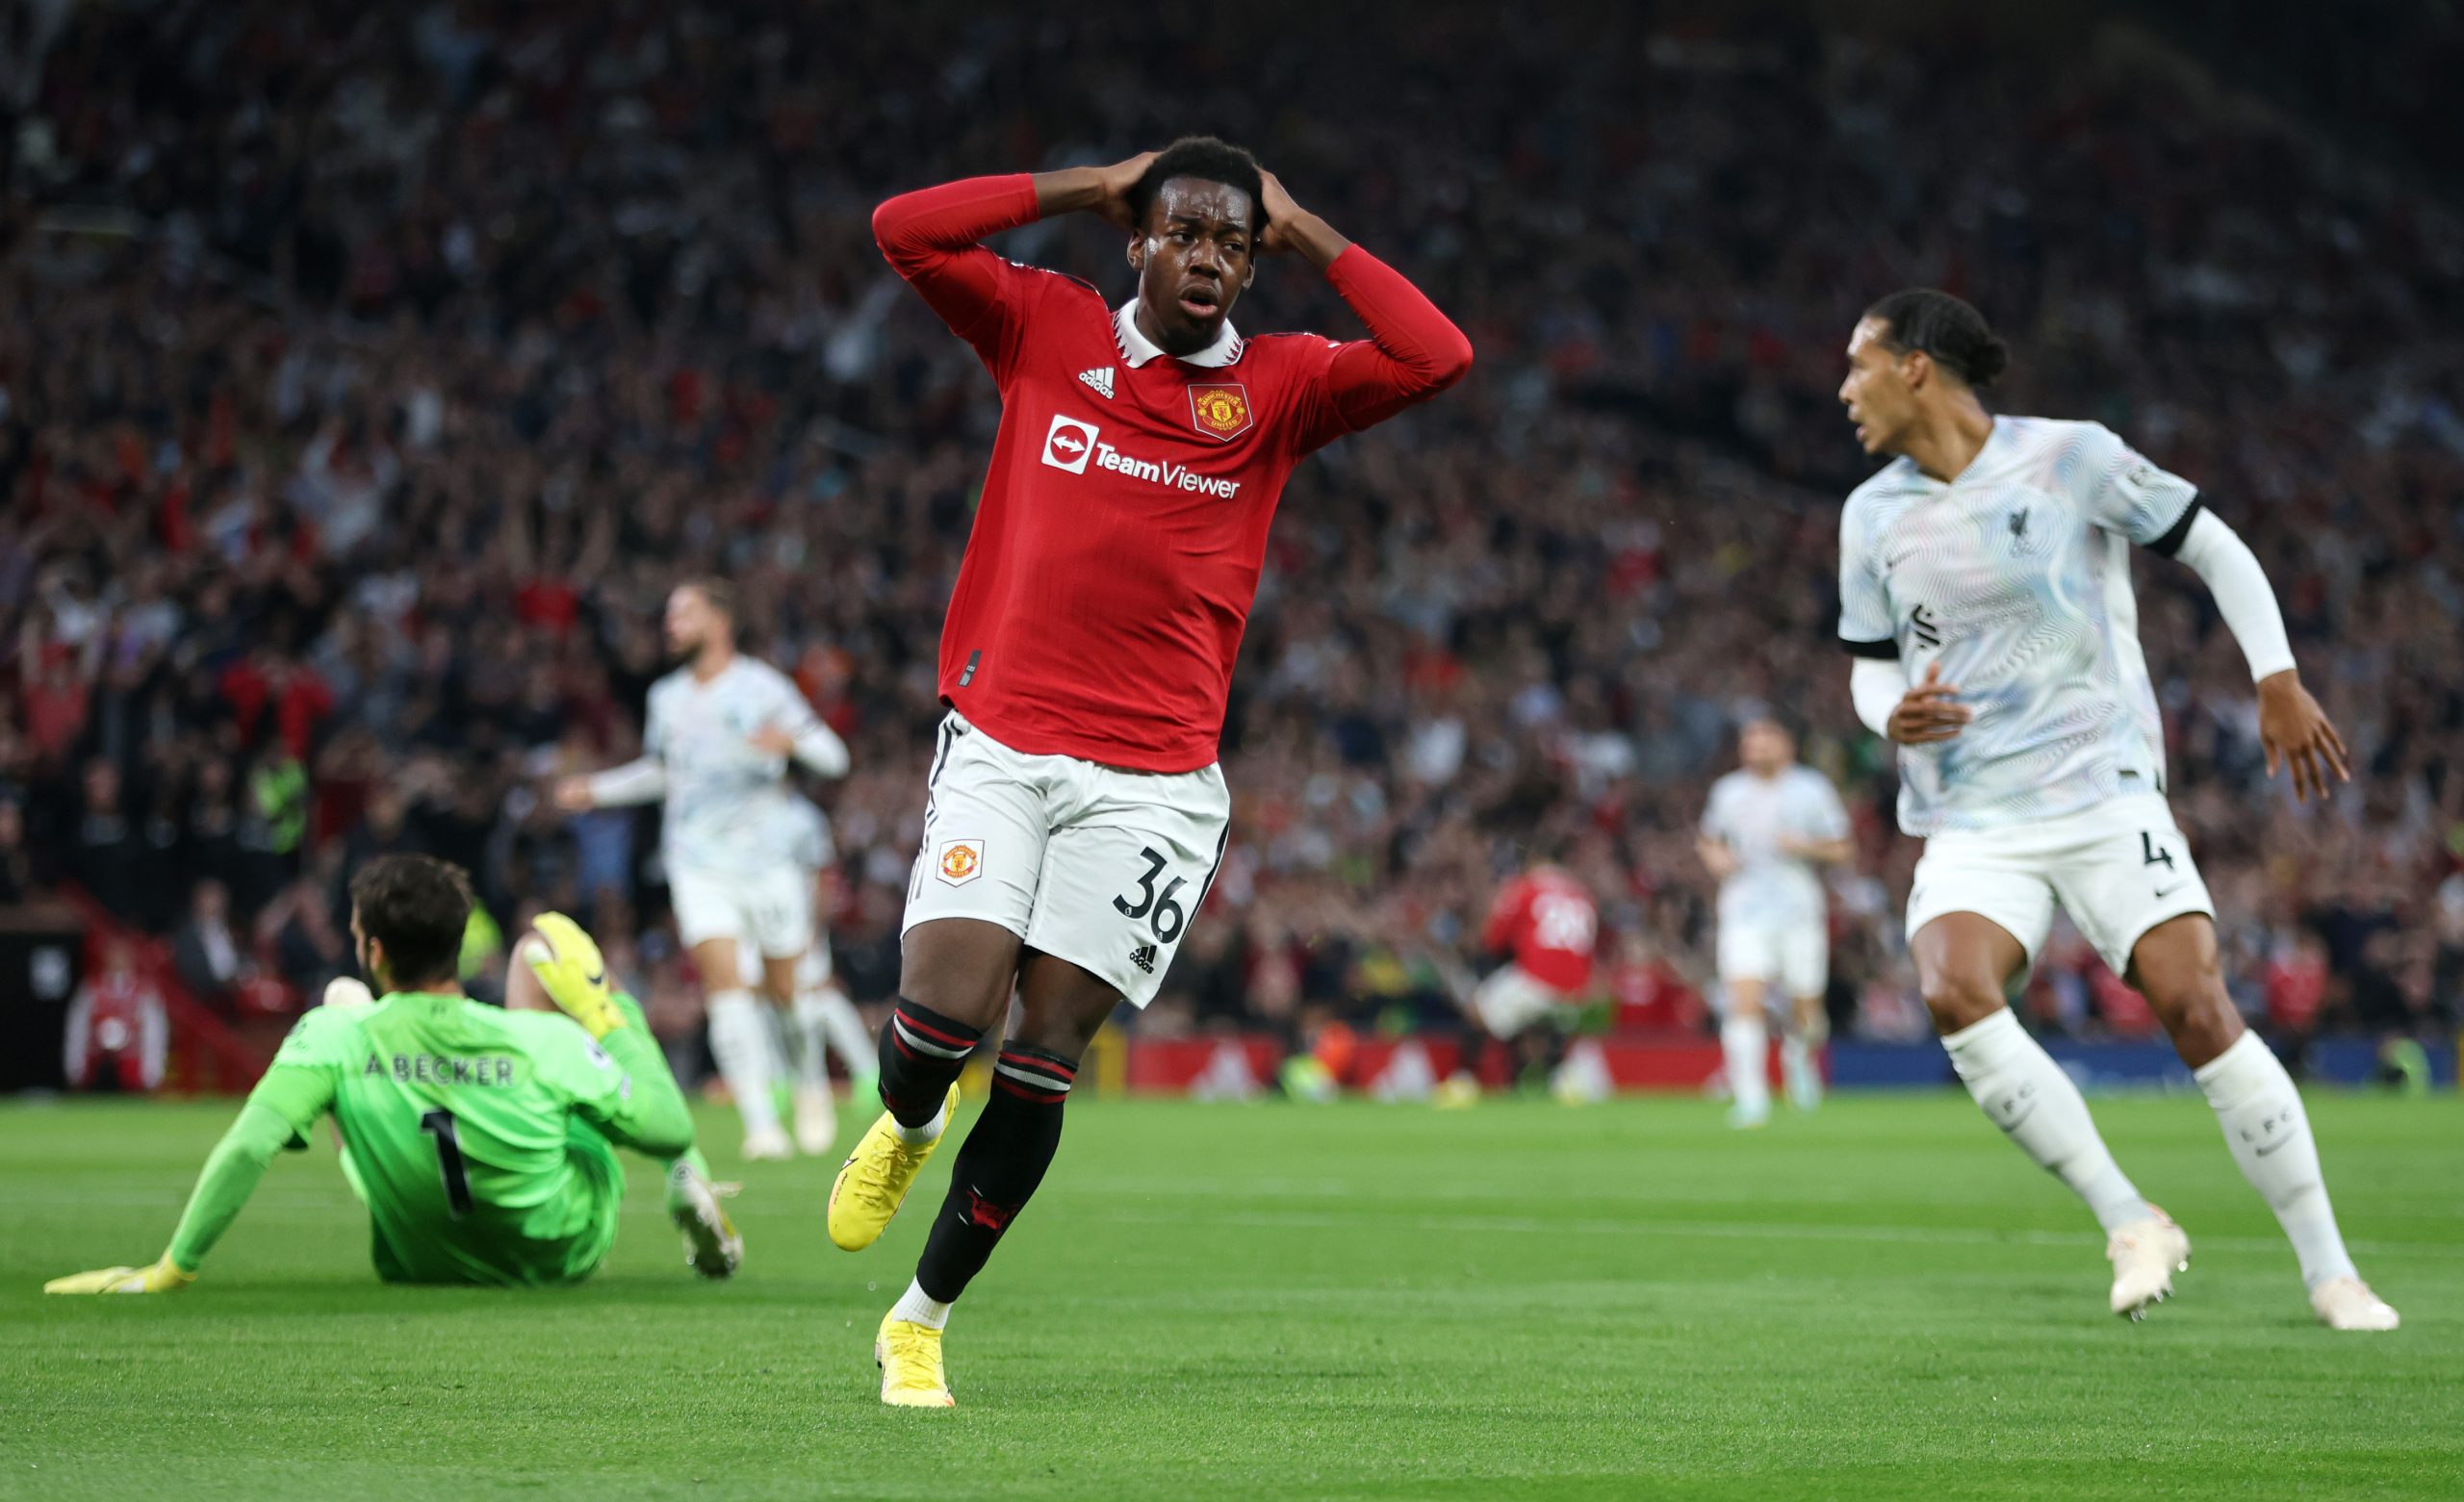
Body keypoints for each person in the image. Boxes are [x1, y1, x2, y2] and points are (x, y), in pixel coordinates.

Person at [839, 135, 1470, 1405]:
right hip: (1006, 742)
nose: (1209, 260)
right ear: (1138, 240)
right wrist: (1083, 182)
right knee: (940, 1017)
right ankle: (908, 1120)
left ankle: (920, 1319)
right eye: (1185, 233)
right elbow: (904, 225)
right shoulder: (1040, 325)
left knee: (1042, 1054)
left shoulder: (1282, 388)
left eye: (1235, 245)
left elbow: (1436, 355)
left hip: (1156, 787)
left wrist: (1314, 229)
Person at [1834, 289, 2396, 1331]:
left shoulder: (2070, 458)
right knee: (1953, 990)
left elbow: (2214, 546)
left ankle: (2331, 1271)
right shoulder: (1870, 514)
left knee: (2193, 1007)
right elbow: (1868, 667)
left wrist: (2275, 677)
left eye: (1856, 365)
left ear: (1914, 366)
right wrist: (1890, 715)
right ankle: (2130, 1216)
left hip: (2099, 792)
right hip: (1973, 817)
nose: (1842, 390)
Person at [44, 854, 739, 1293]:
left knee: (342, 1008)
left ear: (374, 948)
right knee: (540, 963)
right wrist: (604, 1008)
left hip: (422, 1259)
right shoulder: (539, 1039)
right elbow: (667, 1120)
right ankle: (691, 1176)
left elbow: (250, 1145)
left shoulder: (338, 1035)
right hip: (561, 1251)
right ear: (457, 943)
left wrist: (173, 1268)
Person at [556, 579, 852, 1160]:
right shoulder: (665, 698)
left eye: (683, 613)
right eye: (670, 615)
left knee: (787, 993)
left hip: (766, 862)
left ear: (720, 622)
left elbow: (834, 757)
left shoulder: (762, 686)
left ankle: (810, 1083)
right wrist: (600, 790)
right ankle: (761, 1123)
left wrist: (788, 742)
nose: (671, 625)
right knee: (725, 989)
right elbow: (666, 772)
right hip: (696, 862)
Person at [1698, 718, 1853, 1126]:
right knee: (1742, 998)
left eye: (1765, 740)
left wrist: (1804, 845)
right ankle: (1751, 1097)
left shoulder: (1811, 789)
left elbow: (1842, 848)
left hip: (1797, 909)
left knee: (1805, 1007)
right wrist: (1716, 858)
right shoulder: (1728, 791)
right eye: (1750, 742)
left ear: (1786, 745)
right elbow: (1710, 838)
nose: (1757, 749)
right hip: (1744, 908)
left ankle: (1798, 1058)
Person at [734, 793, 878, 1155]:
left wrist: (813, 932)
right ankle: (780, 1080)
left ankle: (855, 1075)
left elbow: (821, 878)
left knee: (814, 999)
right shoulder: (733, 812)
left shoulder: (802, 817)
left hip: (795, 923)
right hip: (750, 920)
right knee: (762, 1002)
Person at [1435, 859, 1600, 1105]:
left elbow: (1495, 938)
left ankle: (1464, 1082)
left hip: (1539, 976)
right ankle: (1563, 1081)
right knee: (1544, 1022)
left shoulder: (1528, 889)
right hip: (1575, 988)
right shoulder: (1583, 897)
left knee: (1477, 1011)